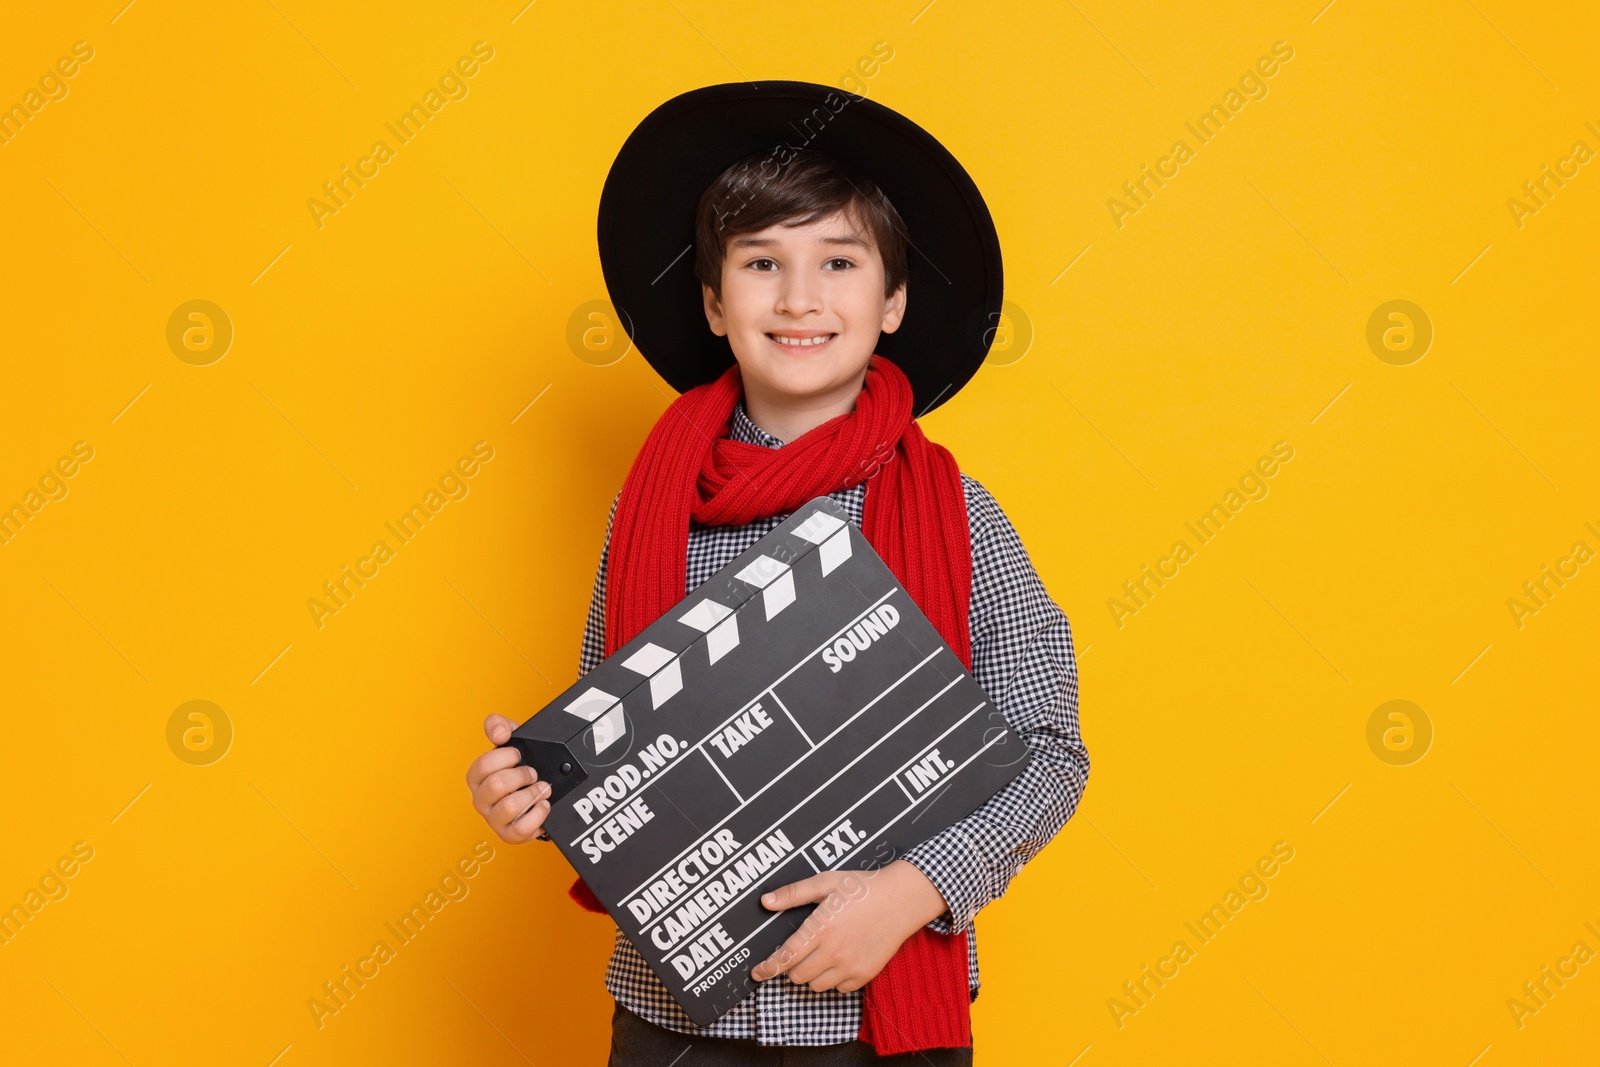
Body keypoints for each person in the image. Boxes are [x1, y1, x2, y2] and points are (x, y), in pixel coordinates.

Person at [466, 81, 1089, 1065]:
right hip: (676, 1019)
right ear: (716, 303)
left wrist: (910, 890)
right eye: (762, 264)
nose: (799, 298)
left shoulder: (957, 517)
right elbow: (616, 765)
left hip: (877, 1012)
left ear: (891, 300)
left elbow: (1051, 753)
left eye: (837, 262)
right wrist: (532, 789)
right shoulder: (649, 518)